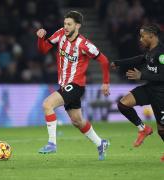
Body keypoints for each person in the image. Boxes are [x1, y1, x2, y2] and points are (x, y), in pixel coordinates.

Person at [36, 11, 110, 160]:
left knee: (47, 105)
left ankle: (52, 143)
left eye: (69, 24)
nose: (66, 27)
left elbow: (104, 60)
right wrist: (40, 38)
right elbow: (43, 49)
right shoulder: (60, 34)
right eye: (65, 24)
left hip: (76, 85)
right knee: (77, 121)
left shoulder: (84, 44)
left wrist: (106, 82)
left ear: (78, 25)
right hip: (65, 85)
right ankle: (100, 143)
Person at [111, 24, 164, 161]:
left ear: (151, 35)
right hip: (149, 90)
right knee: (123, 104)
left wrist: (142, 76)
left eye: (142, 36)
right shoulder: (149, 51)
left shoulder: (161, 53)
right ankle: (143, 128)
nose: (140, 39)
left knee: (162, 130)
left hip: (161, 94)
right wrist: (118, 63)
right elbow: (140, 59)